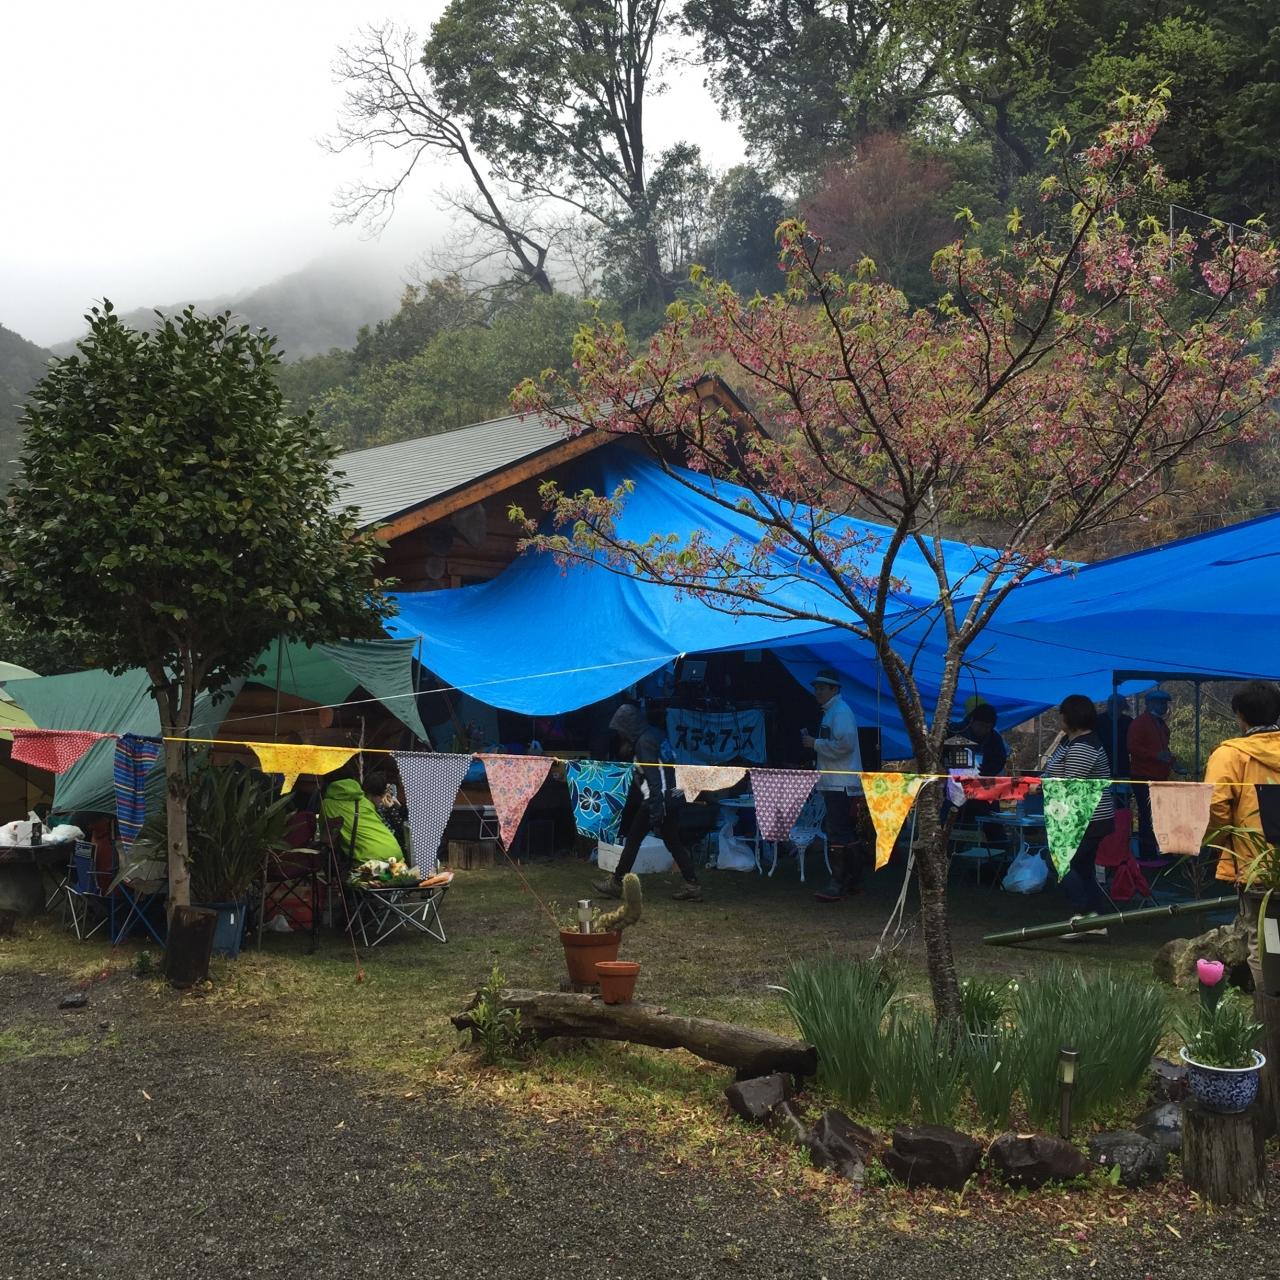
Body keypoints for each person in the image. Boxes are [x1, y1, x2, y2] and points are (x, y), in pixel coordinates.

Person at [1205, 680, 1280, 989]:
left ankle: (1270, 1006)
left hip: (1257, 865)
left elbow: (1215, 806)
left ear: (1239, 715)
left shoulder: (1230, 755)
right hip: (1263, 866)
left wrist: (1217, 841)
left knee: (1264, 939)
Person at [592, 703, 703, 902]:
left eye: (621, 730)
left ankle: (616, 883)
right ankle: (692, 883)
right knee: (672, 841)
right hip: (672, 795)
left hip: (658, 798)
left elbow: (655, 777)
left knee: (634, 839)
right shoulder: (656, 734)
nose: (620, 735)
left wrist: (656, 808)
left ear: (628, 726)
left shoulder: (644, 742)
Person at [1043, 693, 1115, 935]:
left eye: (1062, 714)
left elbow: (1070, 785)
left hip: (1088, 818)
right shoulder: (1069, 741)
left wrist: (1040, 787)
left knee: (1059, 861)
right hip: (1077, 817)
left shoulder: (1084, 746)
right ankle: (1097, 920)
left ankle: (1081, 913)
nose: (1060, 718)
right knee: (1083, 869)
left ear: (1071, 716)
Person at [805, 669, 868, 902]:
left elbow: (845, 745)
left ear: (835, 689)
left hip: (840, 782)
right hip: (838, 781)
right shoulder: (833, 712)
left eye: (822, 688)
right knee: (844, 831)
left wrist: (815, 744)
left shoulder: (840, 712)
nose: (818, 692)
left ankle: (838, 883)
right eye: (816, 688)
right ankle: (853, 880)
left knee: (837, 832)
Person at [1128, 689, 1180, 858]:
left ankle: (1162, 850)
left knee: (1162, 814)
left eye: (1165, 703)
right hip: (1143, 776)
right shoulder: (1140, 723)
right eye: (1160, 703)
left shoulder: (1162, 725)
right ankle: (1147, 852)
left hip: (1160, 776)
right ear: (1149, 704)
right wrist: (1155, 755)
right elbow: (1133, 748)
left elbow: (1164, 749)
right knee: (1147, 815)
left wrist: (1172, 762)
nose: (1164, 706)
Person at [321, 767, 403, 863]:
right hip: (396, 852)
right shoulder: (364, 801)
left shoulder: (327, 804)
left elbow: (326, 838)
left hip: (373, 860)